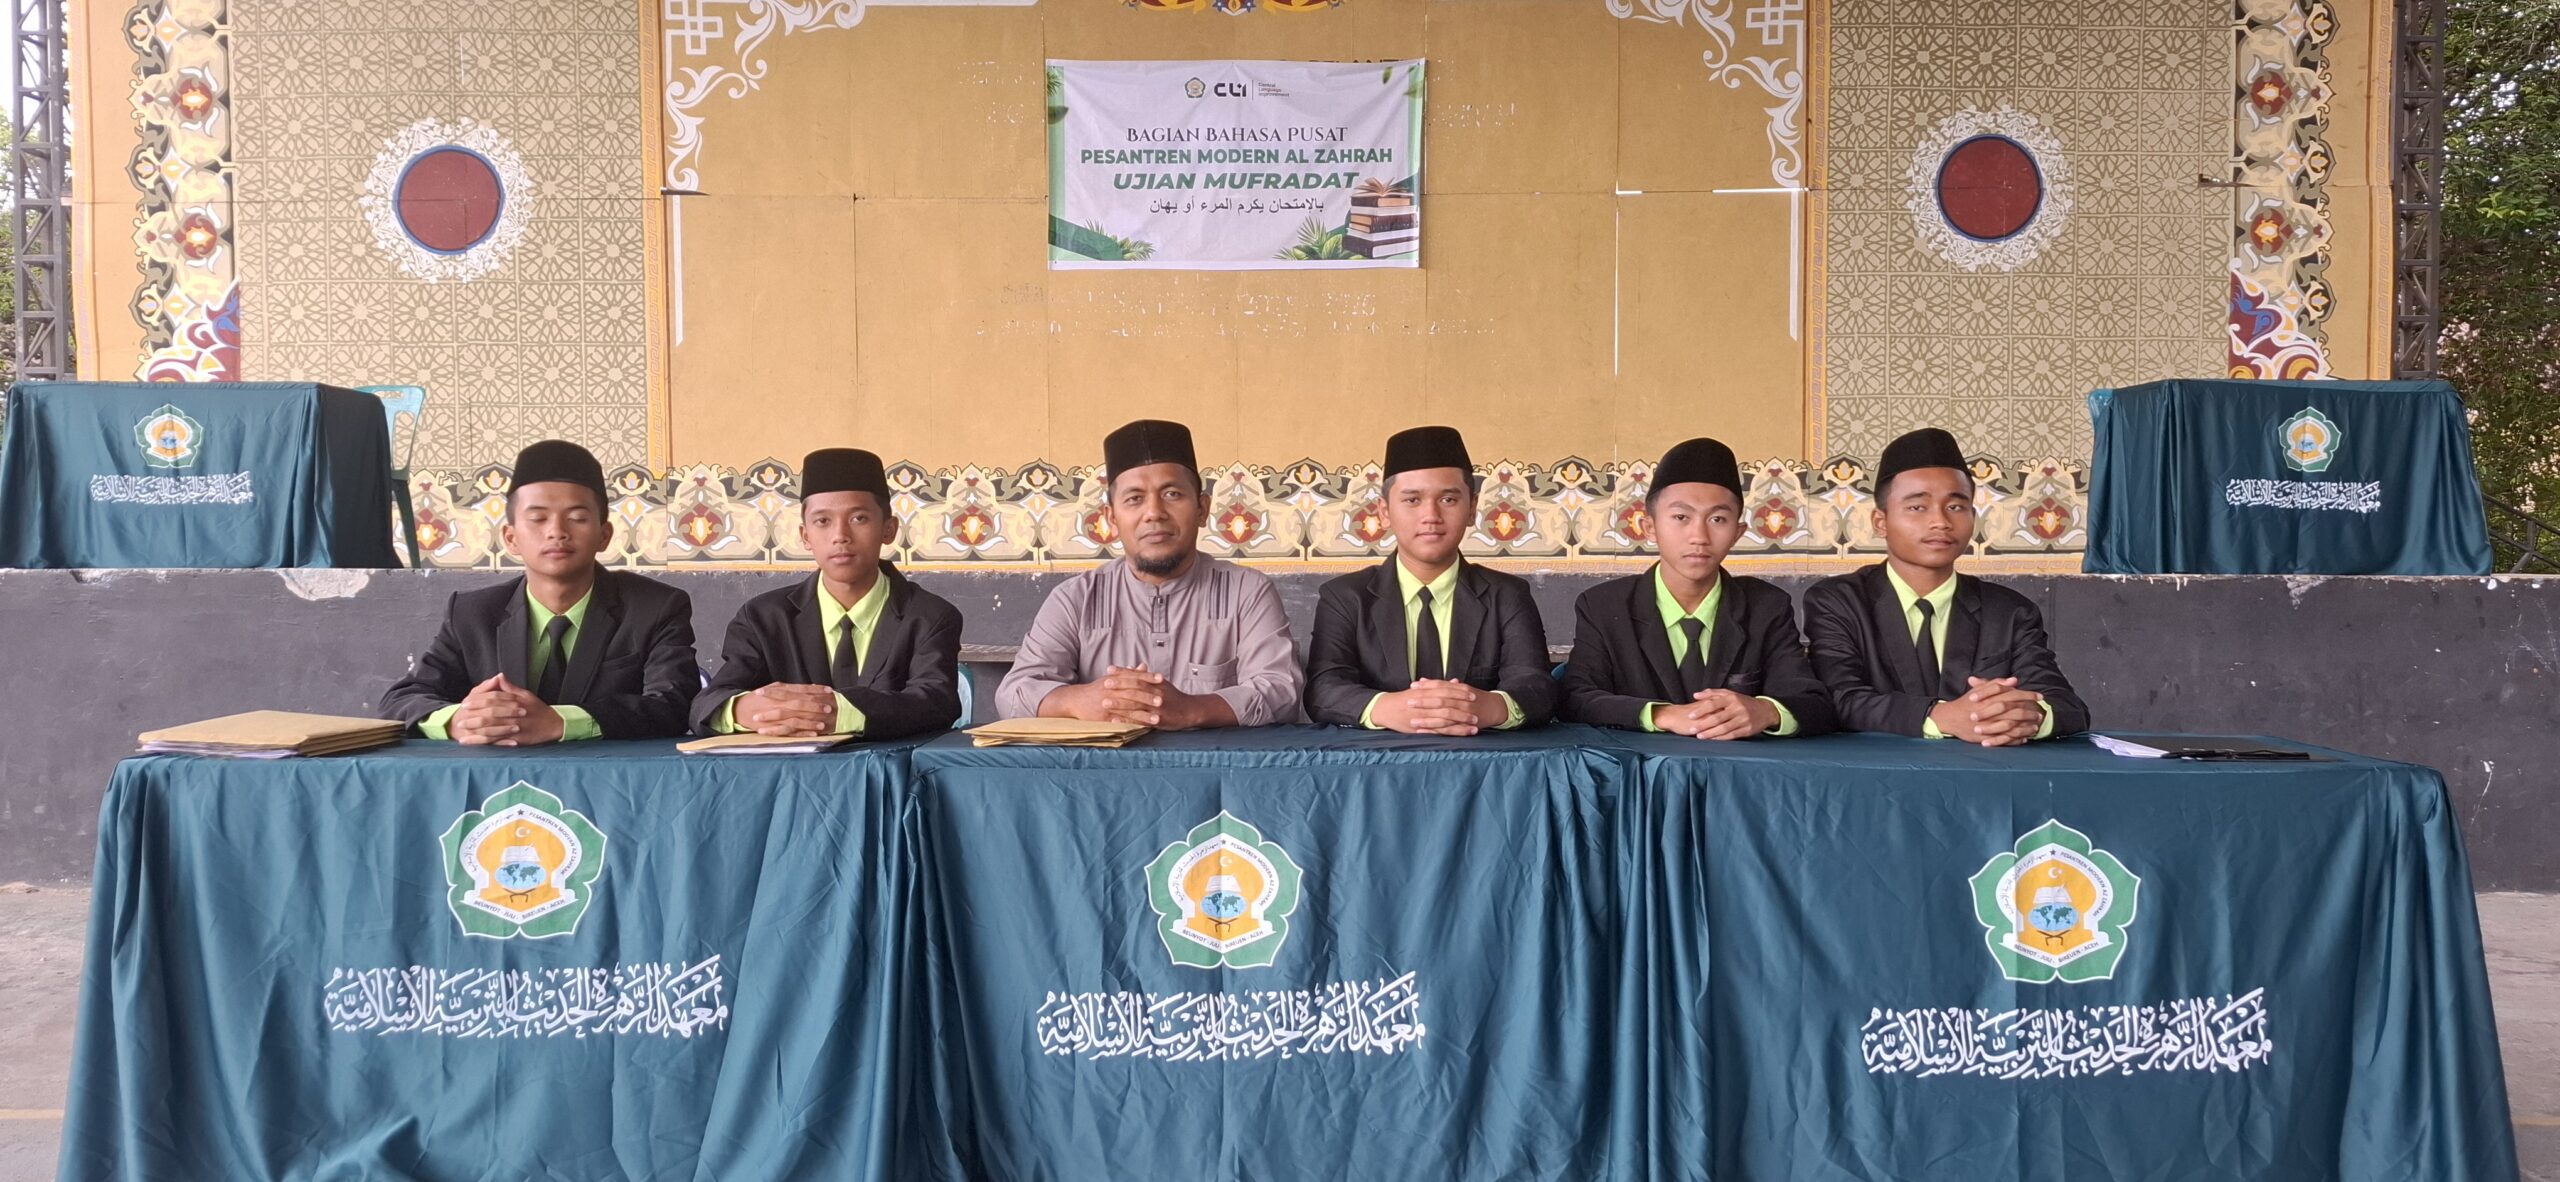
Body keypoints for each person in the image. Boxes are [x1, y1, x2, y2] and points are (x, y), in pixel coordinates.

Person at [381, 440, 697, 743]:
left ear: (604, 535)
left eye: (577, 518)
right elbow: (402, 700)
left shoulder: (655, 607)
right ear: (511, 538)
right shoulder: (472, 614)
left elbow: (674, 704)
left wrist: (560, 722)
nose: (557, 532)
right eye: (537, 518)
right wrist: (458, 720)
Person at [993, 419, 1301, 729]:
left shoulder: (1246, 592)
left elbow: (1280, 692)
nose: (1154, 512)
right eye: (1134, 499)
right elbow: (1013, 694)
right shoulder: (1075, 599)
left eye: (1172, 494)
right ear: (1112, 518)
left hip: (1216, 762)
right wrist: (1079, 701)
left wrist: (1192, 709)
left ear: (1202, 509)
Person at [1803, 427, 2089, 745]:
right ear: (1880, 522)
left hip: (1982, 770)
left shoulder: (2009, 611)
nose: (1940, 521)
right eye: (1917, 507)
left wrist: (2027, 716)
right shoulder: (1840, 601)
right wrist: (1940, 717)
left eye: (1955, 507)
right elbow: (1840, 697)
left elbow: (2066, 705)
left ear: (1973, 517)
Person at [1558, 437, 1834, 738]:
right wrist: (1662, 715)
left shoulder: (1766, 606)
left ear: (1737, 532)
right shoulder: (1603, 606)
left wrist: (1766, 711)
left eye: (1717, 519)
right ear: (1649, 527)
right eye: (1681, 517)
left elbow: (1812, 702)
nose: (1699, 536)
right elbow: (1576, 698)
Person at [691, 447, 963, 740]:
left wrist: (842, 712)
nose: (840, 536)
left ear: (889, 529)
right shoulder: (763, 618)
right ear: (805, 535)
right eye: (822, 521)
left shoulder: (929, 616)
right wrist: (745, 709)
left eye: (859, 518)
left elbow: (937, 702)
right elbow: (705, 705)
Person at [1302, 426, 1553, 732]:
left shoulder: (1507, 595)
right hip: (1377, 758)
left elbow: (1536, 685)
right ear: (1384, 511)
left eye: (1448, 499)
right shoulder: (1345, 597)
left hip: (1482, 756)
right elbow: (1323, 688)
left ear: (1472, 509)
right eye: (1412, 500)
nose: (1431, 515)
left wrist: (1486, 707)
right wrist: (1387, 708)